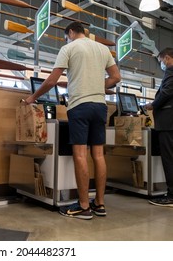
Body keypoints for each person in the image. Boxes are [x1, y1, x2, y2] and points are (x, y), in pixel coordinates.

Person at [24, 21, 121, 220]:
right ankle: (99, 204)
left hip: (80, 106)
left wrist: (32, 98)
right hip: (100, 106)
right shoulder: (103, 49)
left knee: (80, 155)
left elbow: (52, 80)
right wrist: (96, 85)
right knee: (99, 155)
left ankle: (84, 206)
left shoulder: (68, 48)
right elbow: (116, 77)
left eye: (66, 36)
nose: (66, 39)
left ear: (70, 32)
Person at [144, 47, 173, 207]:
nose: (162, 64)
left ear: (167, 58)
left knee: (169, 159)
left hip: (168, 123)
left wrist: (152, 105)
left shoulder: (171, 70)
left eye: (161, 61)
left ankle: (171, 195)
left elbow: (166, 92)